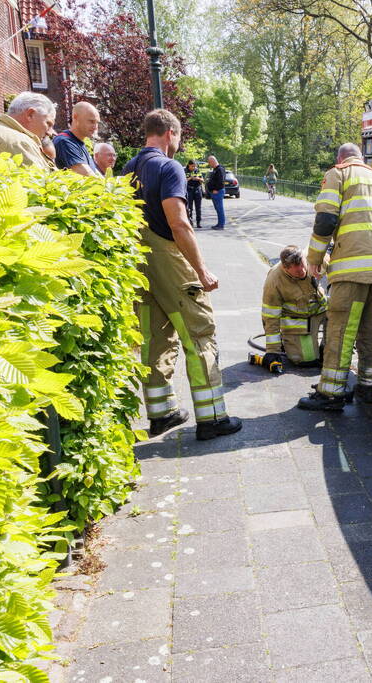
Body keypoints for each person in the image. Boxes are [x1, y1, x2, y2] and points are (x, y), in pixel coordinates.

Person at [123, 109, 243, 441]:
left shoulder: (128, 170)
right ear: (170, 134)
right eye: (178, 138)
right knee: (198, 334)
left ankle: (161, 414)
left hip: (139, 264)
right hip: (170, 262)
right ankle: (213, 418)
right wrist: (201, 270)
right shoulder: (168, 166)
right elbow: (179, 222)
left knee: (154, 336)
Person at [297, 142, 372, 410]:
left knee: (341, 331)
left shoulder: (338, 174)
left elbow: (326, 221)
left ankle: (331, 394)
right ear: (361, 158)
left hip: (351, 272)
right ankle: (369, 388)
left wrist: (314, 260)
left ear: (340, 158)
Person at [262, 245, 328, 367]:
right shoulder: (274, 281)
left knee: (339, 317)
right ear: (285, 268)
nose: (303, 271)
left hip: (323, 309)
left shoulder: (314, 259)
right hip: (300, 321)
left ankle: (326, 346)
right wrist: (272, 350)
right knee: (307, 360)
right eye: (297, 271)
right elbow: (270, 317)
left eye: (303, 265)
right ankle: (287, 340)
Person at [0, 91, 55, 170]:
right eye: (48, 124)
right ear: (30, 114)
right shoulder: (20, 142)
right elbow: (43, 182)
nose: (50, 133)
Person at [53, 101, 101, 177]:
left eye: (97, 122)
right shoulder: (64, 142)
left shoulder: (78, 142)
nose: (95, 127)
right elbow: (89, 178)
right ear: (75, 117)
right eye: (91, 121)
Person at [206, 155, 227, 230]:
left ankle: (221, 225)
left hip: (217, 192)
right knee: (217, 209)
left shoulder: (220, 169)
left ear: (212, 161)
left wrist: (216, 189)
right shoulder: (216, 169)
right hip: (214, 192)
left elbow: (221, 181)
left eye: (209, 162)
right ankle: (219, 223)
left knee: (219, 208)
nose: (209, 164)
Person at [185, 159, 204, 229]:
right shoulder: (185, 170)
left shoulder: (197, 170)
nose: (194, 167)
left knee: (198, 208)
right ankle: (190, 222)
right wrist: (190, 178)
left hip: (197, 190)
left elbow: (202, 180)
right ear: (189, 165)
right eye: (192, 166)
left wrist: (198, 178)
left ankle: (198, 222)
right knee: (189, 207)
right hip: (189, 190)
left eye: (194, 166)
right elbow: (183, 180)